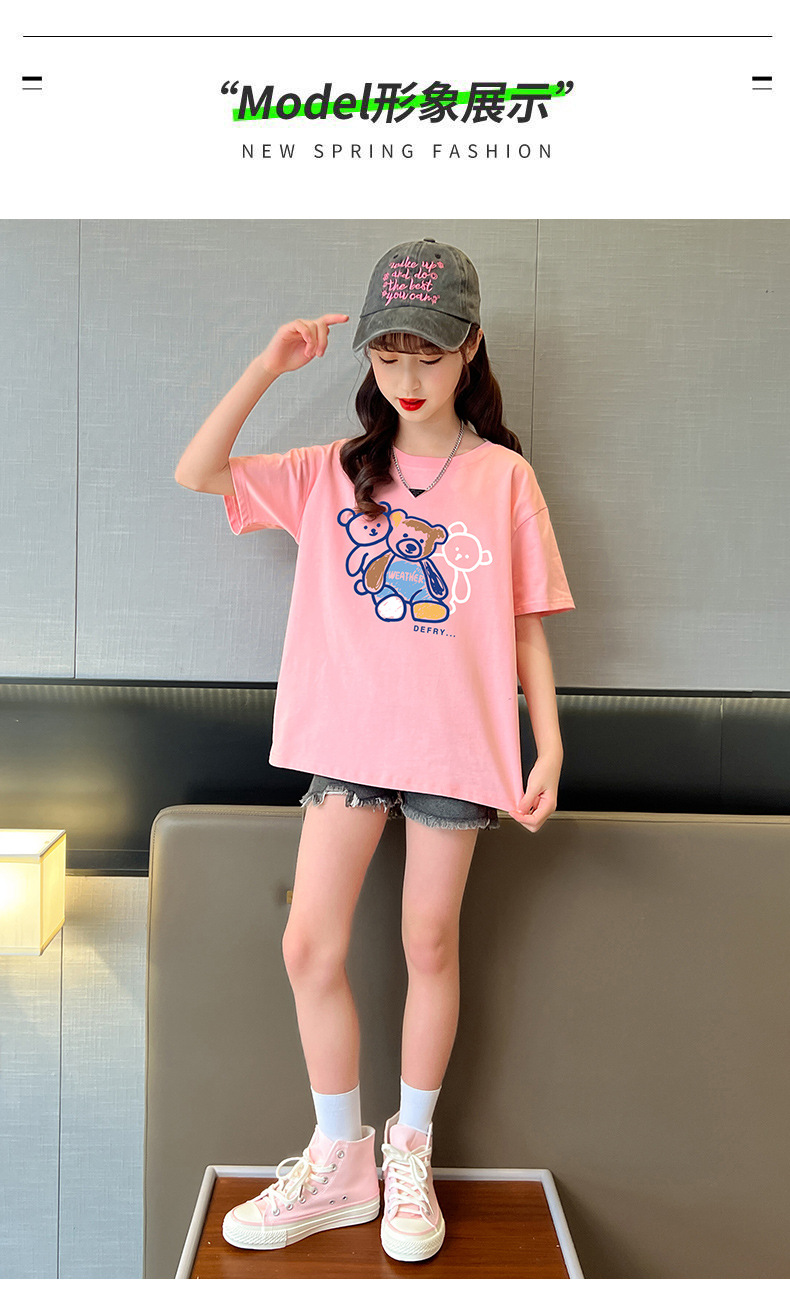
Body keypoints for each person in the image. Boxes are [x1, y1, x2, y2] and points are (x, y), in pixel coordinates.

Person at [174, 238, 575, 1263]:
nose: (407, 376)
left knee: (429, 943)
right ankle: (341, 1157)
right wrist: (268, 365)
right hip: (348, 742)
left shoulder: (504, 477)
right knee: (307, 943)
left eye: (428, 355)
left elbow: (526, 621)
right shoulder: (332, 471)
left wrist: (548, 744)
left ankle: (409, 1151)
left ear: (470, 348)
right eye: (388, 355)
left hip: (458, 746)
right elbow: (198, 470)